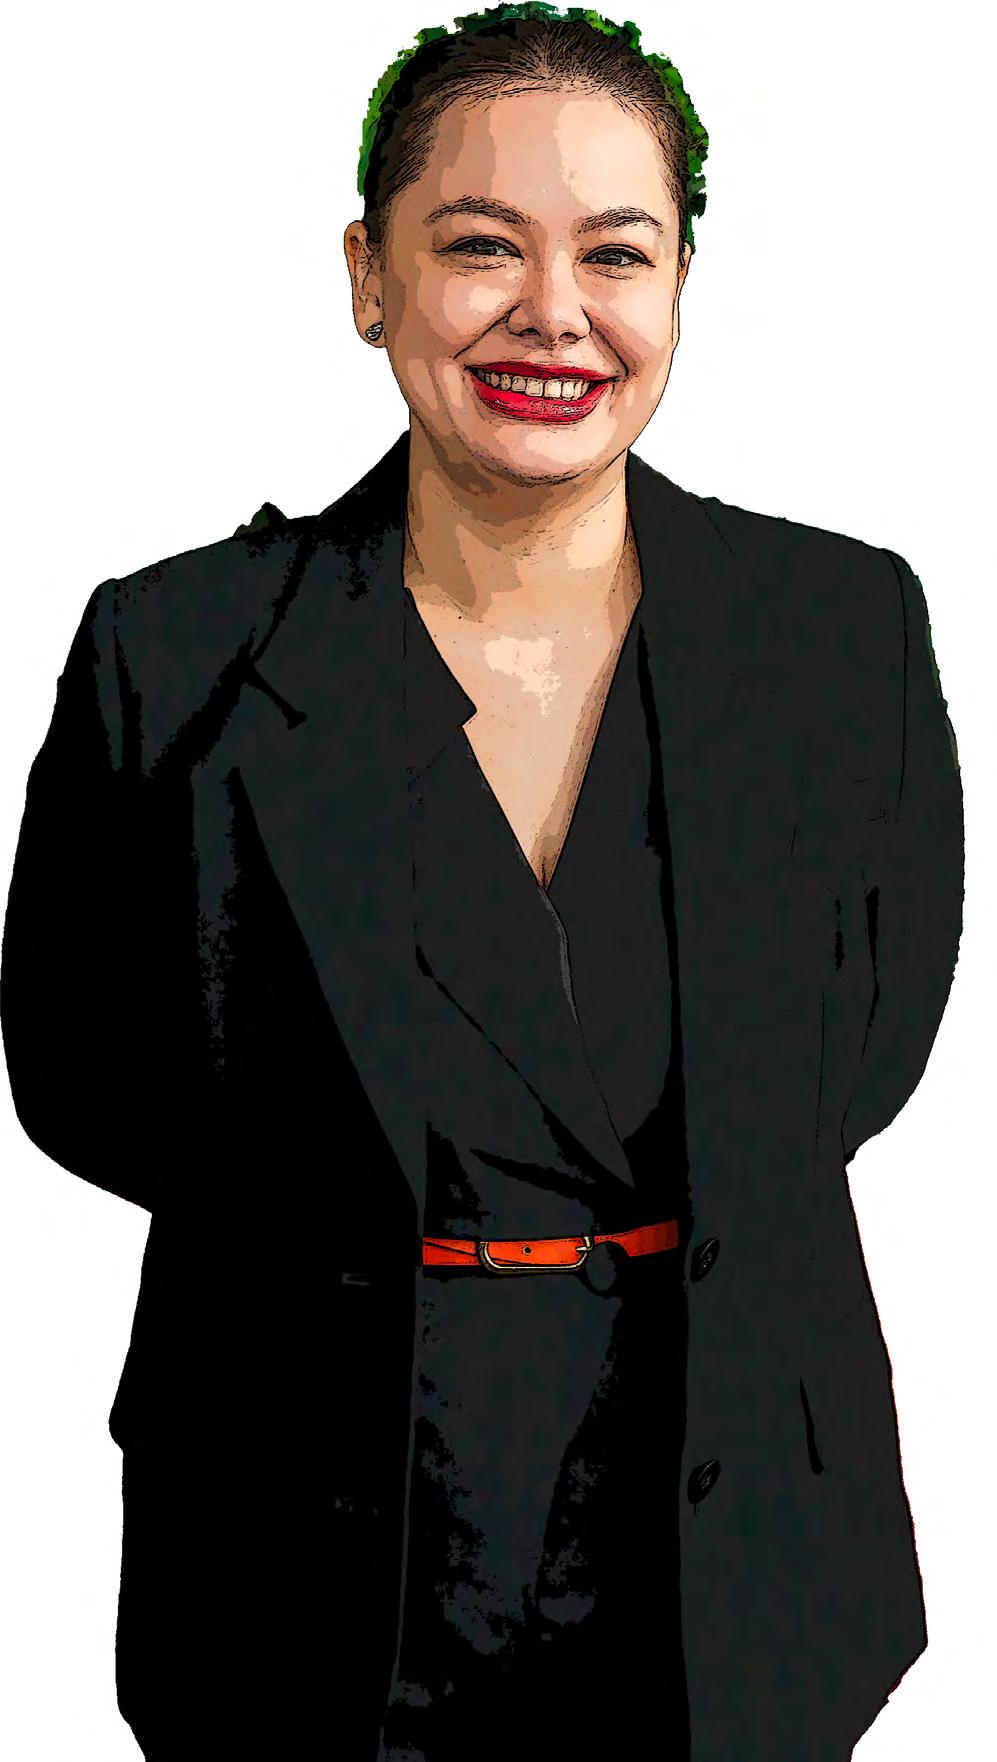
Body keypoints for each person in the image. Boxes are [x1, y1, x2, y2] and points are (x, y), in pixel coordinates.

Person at [0, 7, 964, 1761]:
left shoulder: (841, 634)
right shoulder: (175, 650)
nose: (554, 312)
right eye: (477, 246)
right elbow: (82, 1080)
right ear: (368, 277)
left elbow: (864, 1056)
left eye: (617, 252)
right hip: (304, 1525)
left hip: (731, 1516)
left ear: (681, 283)